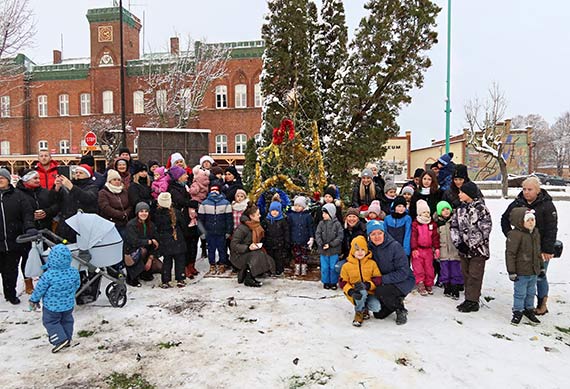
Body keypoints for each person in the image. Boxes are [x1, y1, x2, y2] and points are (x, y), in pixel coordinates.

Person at [501, 176, 557, 316]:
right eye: (524, 189)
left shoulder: (547, 205)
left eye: (530, 189)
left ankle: (542, 304)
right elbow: (504, 218)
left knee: (540, 276)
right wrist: (511, 236)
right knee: (524, 277)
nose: (526, 192)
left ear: (537, 190)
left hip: (541, 248)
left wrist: (547, 249)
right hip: (522, 249)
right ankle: (525, 305)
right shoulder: (518, 203)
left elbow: (552, 228)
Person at [28, 244, 80, 353]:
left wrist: (34, 299)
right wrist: (69, 293)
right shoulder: (74, 272)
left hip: (52, 307)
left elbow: (39, 289)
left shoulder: (48, 275)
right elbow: (77, 284)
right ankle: (67, 338)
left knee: (51, 322)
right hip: (68, 304)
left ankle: (60, 340)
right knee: (67, 320)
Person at [450, 181, 492, 313]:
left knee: (475, 274)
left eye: (462, 192)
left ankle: (473, 300)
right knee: (466, 273)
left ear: (469, 194)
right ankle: (469, 298)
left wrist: (471, 244)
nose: (459, 194)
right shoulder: (459, 209)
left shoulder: (481, 209)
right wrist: (459, 243)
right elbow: (454, 226)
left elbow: (485, 229)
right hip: (463, 250)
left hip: (478, 250)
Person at [17, 170, 57, 294]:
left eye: (38, 178)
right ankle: (28, 281)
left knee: (46, 256)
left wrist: (47, 212)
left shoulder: (45, 192)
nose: (38, 180)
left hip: (45, 229)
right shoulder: (18, 194)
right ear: (26, 180)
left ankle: (45, 280)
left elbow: (55, 206)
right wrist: (29, 216)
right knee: (27, 257)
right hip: (26, 230)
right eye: (35, 178)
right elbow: (15, 211)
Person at [368, 220, 415, 325]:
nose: (377, 237)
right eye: (373, 234)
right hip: (385, 281)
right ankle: (394, 300)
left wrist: (382, 279)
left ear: (384, 233)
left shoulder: (395, 247)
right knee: (379, 314)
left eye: (379, 233)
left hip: (403, 281)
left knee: (381, 291)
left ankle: (400, 309)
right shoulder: (369, 248)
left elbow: (403, 272)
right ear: (369, 236)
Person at [0, 168, 35, 305]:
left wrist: (29, 227)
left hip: (13, 240)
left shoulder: (18, 196)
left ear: (8, 179)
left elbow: (27, 214)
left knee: (10, 271)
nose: (0, 180)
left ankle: (10, 294)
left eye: (2, 177)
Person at [506, 208, 543, 325]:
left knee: (531, 292)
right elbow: (510, 254)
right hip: (521, 271)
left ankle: (529, 309)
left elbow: (538, 252)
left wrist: (541, 267)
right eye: (528, 220)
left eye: (533, 220)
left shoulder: (535, 233)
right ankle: (517, 311)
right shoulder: (515, 235)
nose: (531, 222)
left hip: (533, 271)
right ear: (519, 222)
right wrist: (511, 271)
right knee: (520, 293)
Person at [339, 235, 382, 327]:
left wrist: (368, 285)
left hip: (369, 292)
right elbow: (343, 282)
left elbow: (378, 279)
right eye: (357, 250)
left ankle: (365, 309)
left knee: (377, 307)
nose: (360, 252)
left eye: (362, 249)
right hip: (355, 293)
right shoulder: (346, 266)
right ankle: (359, 312)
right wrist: (350, 291)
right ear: (352, 251)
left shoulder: (372, 263)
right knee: (361, 292)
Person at [49, 164, 99, 243]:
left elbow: (87, 198)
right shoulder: (67, 186)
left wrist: (71, 187)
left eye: (81, 173)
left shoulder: (92, 187)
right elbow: (54, 200)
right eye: (76, 172)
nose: (77, 174)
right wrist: (57, 188)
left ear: (88, 175)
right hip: (66, 224)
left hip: (83, 226)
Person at [230, 203, 276, 287]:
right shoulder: (242, 228)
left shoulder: (256, 225)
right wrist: (248, 247)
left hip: (249, 252)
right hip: (238, 256)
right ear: (251, 216)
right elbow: (233, 245)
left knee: (266, 258)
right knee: (258, 255)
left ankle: (246, 272)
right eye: (258, 214)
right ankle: (249, 278)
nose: (260, 216)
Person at [154, 192, 187, 288]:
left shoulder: (157, 215)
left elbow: (157, 228)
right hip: (178, 240)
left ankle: (165, 280)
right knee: (180, 260)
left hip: (165, 241)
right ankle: (180, 278)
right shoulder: (177, 213)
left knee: (167, 261)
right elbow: (183, 225)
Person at [198, 185, 233, 274]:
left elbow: (229, 219)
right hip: (209, 231)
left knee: (222, 249)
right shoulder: (204, 203)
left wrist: (229, 231)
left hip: (222, 230)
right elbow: (200, 220)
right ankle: (212, 264)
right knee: (211, 249)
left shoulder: (226, 203)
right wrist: (202, 232)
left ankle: (222, 264)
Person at [124, 202, 160, 286]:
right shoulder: (131, 225)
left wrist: (150, 258)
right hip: (131, 251)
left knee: (160, 267)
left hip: (146, 250)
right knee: (142, 251)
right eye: (141, 211)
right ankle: (132, 276)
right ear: (137, 213)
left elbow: (156, 242)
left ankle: (144, 272)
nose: (144, 213)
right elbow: (133, 242)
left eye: (146, 211)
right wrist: (149, 241)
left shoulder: (151, 224)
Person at [433, 201, 463, 299]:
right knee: (444, 270)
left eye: (447, 209)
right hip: (443, 251)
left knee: (456, 270)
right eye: (443, 210)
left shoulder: (454, 221)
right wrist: (436, 249)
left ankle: (455, 287)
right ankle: (447, 286)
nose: (445, 211)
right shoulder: (438, 224)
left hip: (454, 251)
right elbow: (435, 238)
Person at [411, 199, 440, 296]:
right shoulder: (416, 224)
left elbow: (435, 237)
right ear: (419, 213)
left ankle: (428, 283)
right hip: (418, 250)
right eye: (424, 212)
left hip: (428, 250)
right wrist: (414, 248)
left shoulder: (432, 224)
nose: (426, 214)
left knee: (429, 268)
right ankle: (420, 283)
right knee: (418, 268)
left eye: (428, 212)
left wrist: (436, 248)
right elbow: (413, 237)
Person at [315, 203, 343, 290]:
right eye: (323, 213)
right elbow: (317, 234)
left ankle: (333, 282)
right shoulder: (321, 223)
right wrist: (321, 243)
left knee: (333, 267)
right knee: (325, 267)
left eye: (325, 213)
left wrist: (331, 244)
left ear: (331, 213)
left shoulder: (337, 224)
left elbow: (340, 236)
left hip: (333, 250)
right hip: (323, 250)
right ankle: (326, 281)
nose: (323, 215)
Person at [98, 169, 132, 238]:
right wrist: (120, 214)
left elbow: (130, 204)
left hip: (124, 223)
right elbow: (105, 207)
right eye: (114, 180)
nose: (117, 182)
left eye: (118, 180)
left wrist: (126, 213)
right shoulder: (103, 192)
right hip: (110, 223)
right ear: (109, 181)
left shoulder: (124, 191)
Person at [288, 196, 314, 276]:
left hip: (304, 239)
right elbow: (289, 227)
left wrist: (311, 237)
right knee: (296, 253)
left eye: (299, 206)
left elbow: (310, 227)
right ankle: (297, 266)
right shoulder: (292, 215)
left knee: (304, 254)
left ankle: (303, 267)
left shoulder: (307, 216)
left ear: (303, 206)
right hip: (295, 238)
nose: (297, 207)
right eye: (296, 205)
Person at [263, 201, 290, 276]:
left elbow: (286, 231)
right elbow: (263, 231)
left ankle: (279, 270)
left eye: (276, 211)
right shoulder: (267, 220)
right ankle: (270, 269)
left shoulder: (282, 220)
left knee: (278, 257)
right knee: (270, 257)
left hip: (279, 242)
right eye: (273, 210)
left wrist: (286, 241)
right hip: (269, 242)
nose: (274, 212)